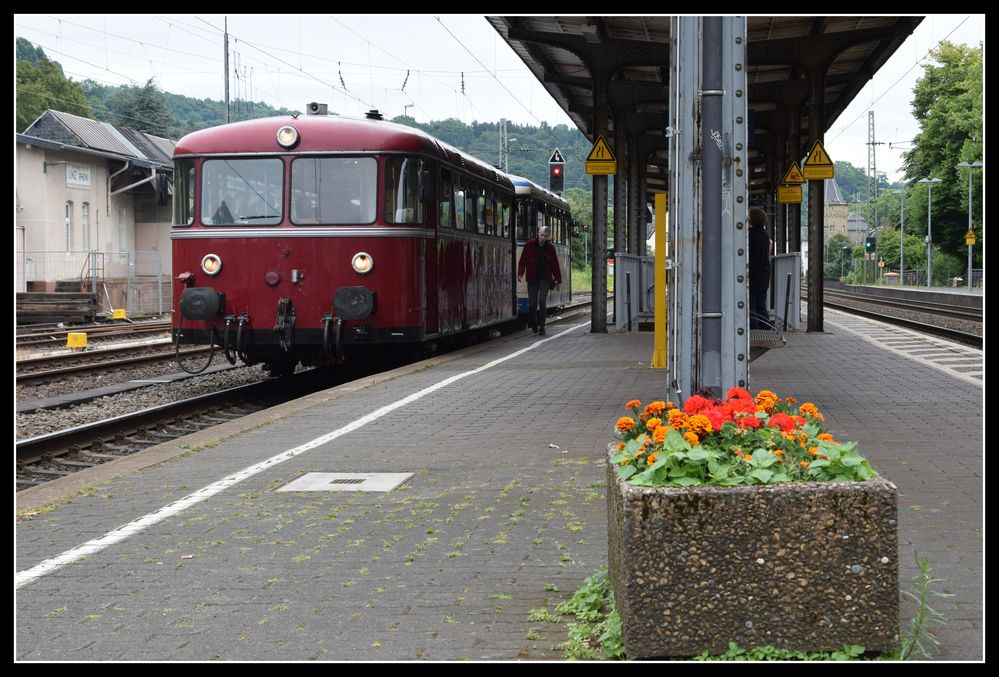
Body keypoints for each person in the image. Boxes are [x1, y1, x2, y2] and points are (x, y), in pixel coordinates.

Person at [517, 225, 562, 336]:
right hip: (532, 278)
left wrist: (558, 280)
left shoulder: (550, 249)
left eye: (545, 236)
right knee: (532, 304)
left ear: (548, 237)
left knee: (542, 301)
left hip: (545, 279)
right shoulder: (529, 245)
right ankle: (534, 321)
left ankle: (542, 326)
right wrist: (520, 273)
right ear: (538, 234)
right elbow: (523, 261)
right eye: (541, 235)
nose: (543, 238)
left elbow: (555, 265)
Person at [748, 207, 772, 330]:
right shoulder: (765, 235)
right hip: (764, 274)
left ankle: (754, 332)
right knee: (761, 306)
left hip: (753, 274)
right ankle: (766, 331)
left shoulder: (749, 235)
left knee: (751, 306)